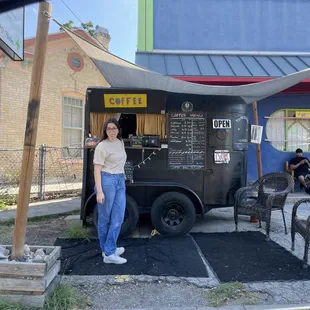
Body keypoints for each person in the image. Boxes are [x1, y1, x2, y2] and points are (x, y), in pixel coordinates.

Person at [93, 118, 127, 264]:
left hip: (119, 180)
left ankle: (109, 248)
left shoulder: (120, 143)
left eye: (114, 128)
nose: (111, 131)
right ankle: (108, 253)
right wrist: (99, 191)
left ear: (118, 129)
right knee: (105, 218)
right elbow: (97, 169)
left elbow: (121, 162)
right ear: (105, 131)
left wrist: (122, 177)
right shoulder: (102, 146)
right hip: (106, 181)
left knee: (118, 218)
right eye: (109, 129)